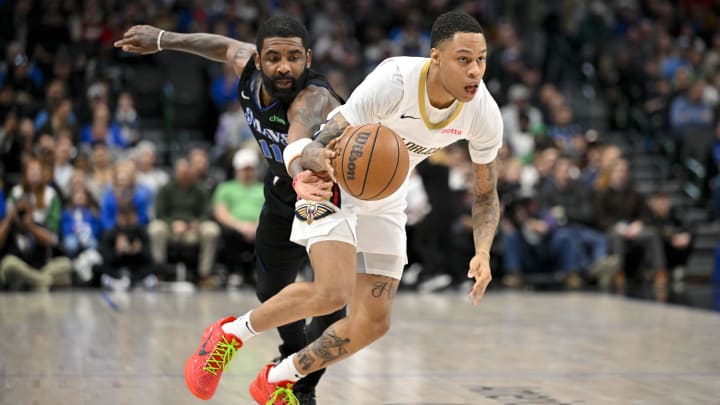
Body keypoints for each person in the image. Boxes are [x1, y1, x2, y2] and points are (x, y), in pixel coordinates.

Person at [178, 10, 502, 404]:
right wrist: (306, 163)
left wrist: (482, 251)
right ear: (436, 58)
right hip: (332, 174)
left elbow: (486, 193)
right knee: (333, 292)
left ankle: (279, 377)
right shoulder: (395, 80)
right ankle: (228, 336)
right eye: (463, 59)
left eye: (481, 59)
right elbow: (327, 132)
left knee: (373, 322)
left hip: (387, 193)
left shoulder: (484, 113)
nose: (475, 71)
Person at [115, 15, 346, 403]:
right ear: (258, 60)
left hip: (326, 197)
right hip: (282, 189)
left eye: (293, 57)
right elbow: (222, 46)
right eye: (273, 57)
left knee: (332, 305)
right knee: (271, 289)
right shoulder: (250, 74)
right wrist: (161, 40)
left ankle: (298, 387)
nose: (284, 66)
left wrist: (302, 155)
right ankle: (289, 356)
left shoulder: (314, 97)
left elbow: (298, 128)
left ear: (308, 58)